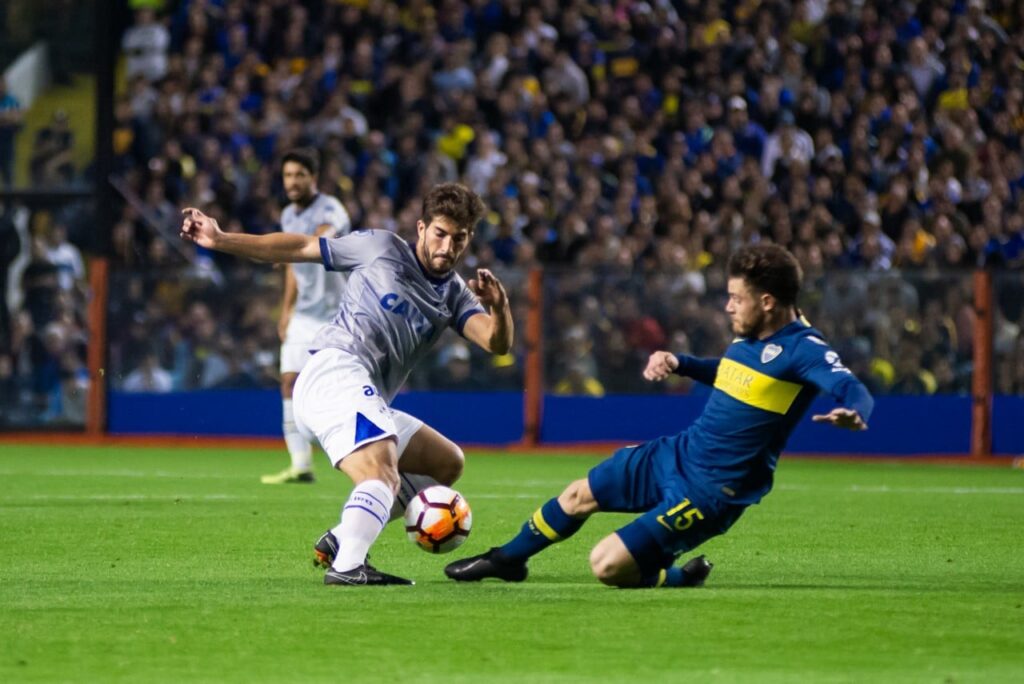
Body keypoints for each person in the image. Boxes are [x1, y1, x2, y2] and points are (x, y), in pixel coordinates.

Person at [445, 244, 873, 588]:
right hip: (679, 452)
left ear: (767, 301)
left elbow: (850, 385)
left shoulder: (804, 348)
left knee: (606, 565)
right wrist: (680, 362)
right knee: (578, 494)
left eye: (736, 298)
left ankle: (675, 576)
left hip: (712, 491)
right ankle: (507, 560)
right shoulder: (752, 333)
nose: (727, 307)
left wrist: (854, 410)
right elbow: (732, 374)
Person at [180, 182, 513, 586]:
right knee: (381, 474)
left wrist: (500, 307)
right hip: (335, 373)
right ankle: (349, 567)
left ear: (469, 238)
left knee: (446, 462)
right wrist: (221, 239)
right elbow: (301, 248)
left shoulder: (456, 295)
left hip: (361, 393)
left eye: (458, 239)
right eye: (440, 234)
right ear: (422, 228)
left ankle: (341, 539)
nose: (447, 247)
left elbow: (496, 343)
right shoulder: (382, 248)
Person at [261, 148, 352, 485]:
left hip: (337, 313)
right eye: (288, 175)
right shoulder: (287, 215)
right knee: (288, 381)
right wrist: (286, 310)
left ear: (313, 178)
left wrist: (287, 248)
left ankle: (361, 452)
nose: (293, 181)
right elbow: (292, 269)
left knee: (341, 387)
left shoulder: (331, 208)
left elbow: (321, 239)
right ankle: (300, 464)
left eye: (300, 174)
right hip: (304, 314)